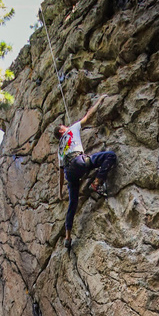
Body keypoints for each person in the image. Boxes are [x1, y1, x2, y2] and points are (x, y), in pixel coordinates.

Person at [56, 95, 116, 249]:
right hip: (79, 162)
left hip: (70, 173)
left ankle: (68, 237)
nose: (66, 126)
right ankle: (97, 183)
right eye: (64, 126)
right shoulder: (72, 129)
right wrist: (100, 100)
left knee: (72, 203)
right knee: (110, 156)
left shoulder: (59, 149)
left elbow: (61, 172)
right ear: (62, 130)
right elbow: (88, 116)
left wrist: (60, 192)